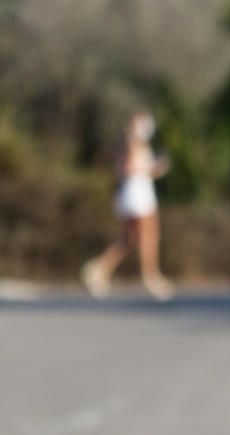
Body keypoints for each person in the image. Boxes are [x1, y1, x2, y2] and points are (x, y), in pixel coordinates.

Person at [81, 111, 174, 300]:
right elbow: (127, 169)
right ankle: (151, 276)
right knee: (149, 236)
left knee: (128, 240)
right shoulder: (133, 143)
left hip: (130, 195)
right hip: (138, 197)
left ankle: (99, 269)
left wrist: (156, 169)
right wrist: (151, 167)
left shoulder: (131, 143)